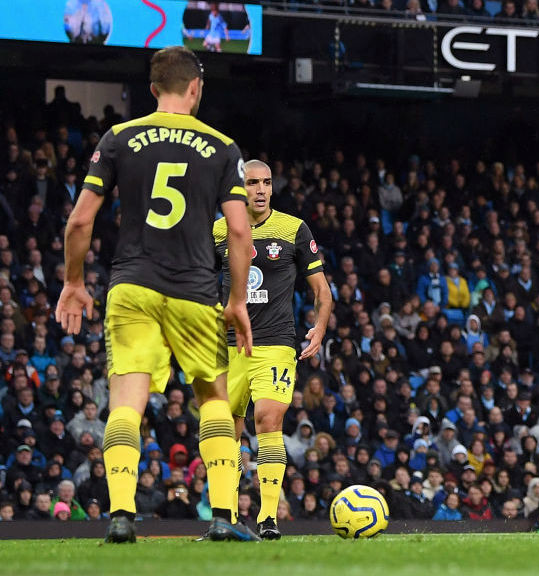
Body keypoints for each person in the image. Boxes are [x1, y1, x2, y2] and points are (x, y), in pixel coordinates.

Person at [56, 46, 254, 543]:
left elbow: (80, 219)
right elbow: (238, 234)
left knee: (126, 402)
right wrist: (235, 301)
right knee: (213, 397)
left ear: (152, 89)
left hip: (132, 286)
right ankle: (225, 518)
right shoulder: (224, 146)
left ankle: (121, 515)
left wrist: (73, 282)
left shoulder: (120, 137)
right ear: (195, 88)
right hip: (193, 290)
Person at [214, 159, 332, 540]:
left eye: (265, 183)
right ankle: (226, 518)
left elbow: (322, 291)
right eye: (252, 183)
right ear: (239, 187)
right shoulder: (218, 230)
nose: (261, 190)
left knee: (268, 419)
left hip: (276, 343)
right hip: (227, 346)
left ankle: (268, 517)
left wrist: (320, 327)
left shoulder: (293, 228)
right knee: (225, 430)